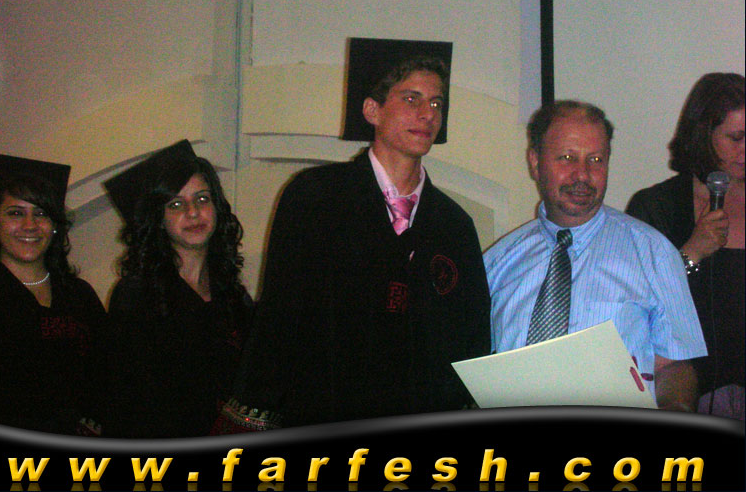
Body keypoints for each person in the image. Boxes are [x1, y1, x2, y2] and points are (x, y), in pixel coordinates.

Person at [220, 42, 491, 431]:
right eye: (411, 98)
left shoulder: (454, 225)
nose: (427, 113)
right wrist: (256, 411)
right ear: (372, 110)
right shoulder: (315, 198)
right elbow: (281, 315)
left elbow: (472, 338)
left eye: (436, 103)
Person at [484, 100, 707, 411]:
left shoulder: (653, 253)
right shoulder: (497, 262)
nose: (583, 174)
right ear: (535, 162)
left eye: (596, 159)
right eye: (567, 158)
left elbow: (674, 366)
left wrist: (674, 411)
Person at [0, 152, 107, 435]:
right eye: (16, 213)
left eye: (41, 213)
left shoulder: (78, 295)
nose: (30, 225)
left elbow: (106, 374)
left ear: (55, 225)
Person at [104, 140, 253, 437]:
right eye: (175, 204)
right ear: (158, 218)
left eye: (202, 199)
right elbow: (130, 404)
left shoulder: (234, 296)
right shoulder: (137, 296)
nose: (193, 212)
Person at [626, 73, 744, 419]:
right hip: (691, 395)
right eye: (736, 138)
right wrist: (691, 253)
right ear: (704, 135)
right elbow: (635, 309)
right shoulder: (656, 206)